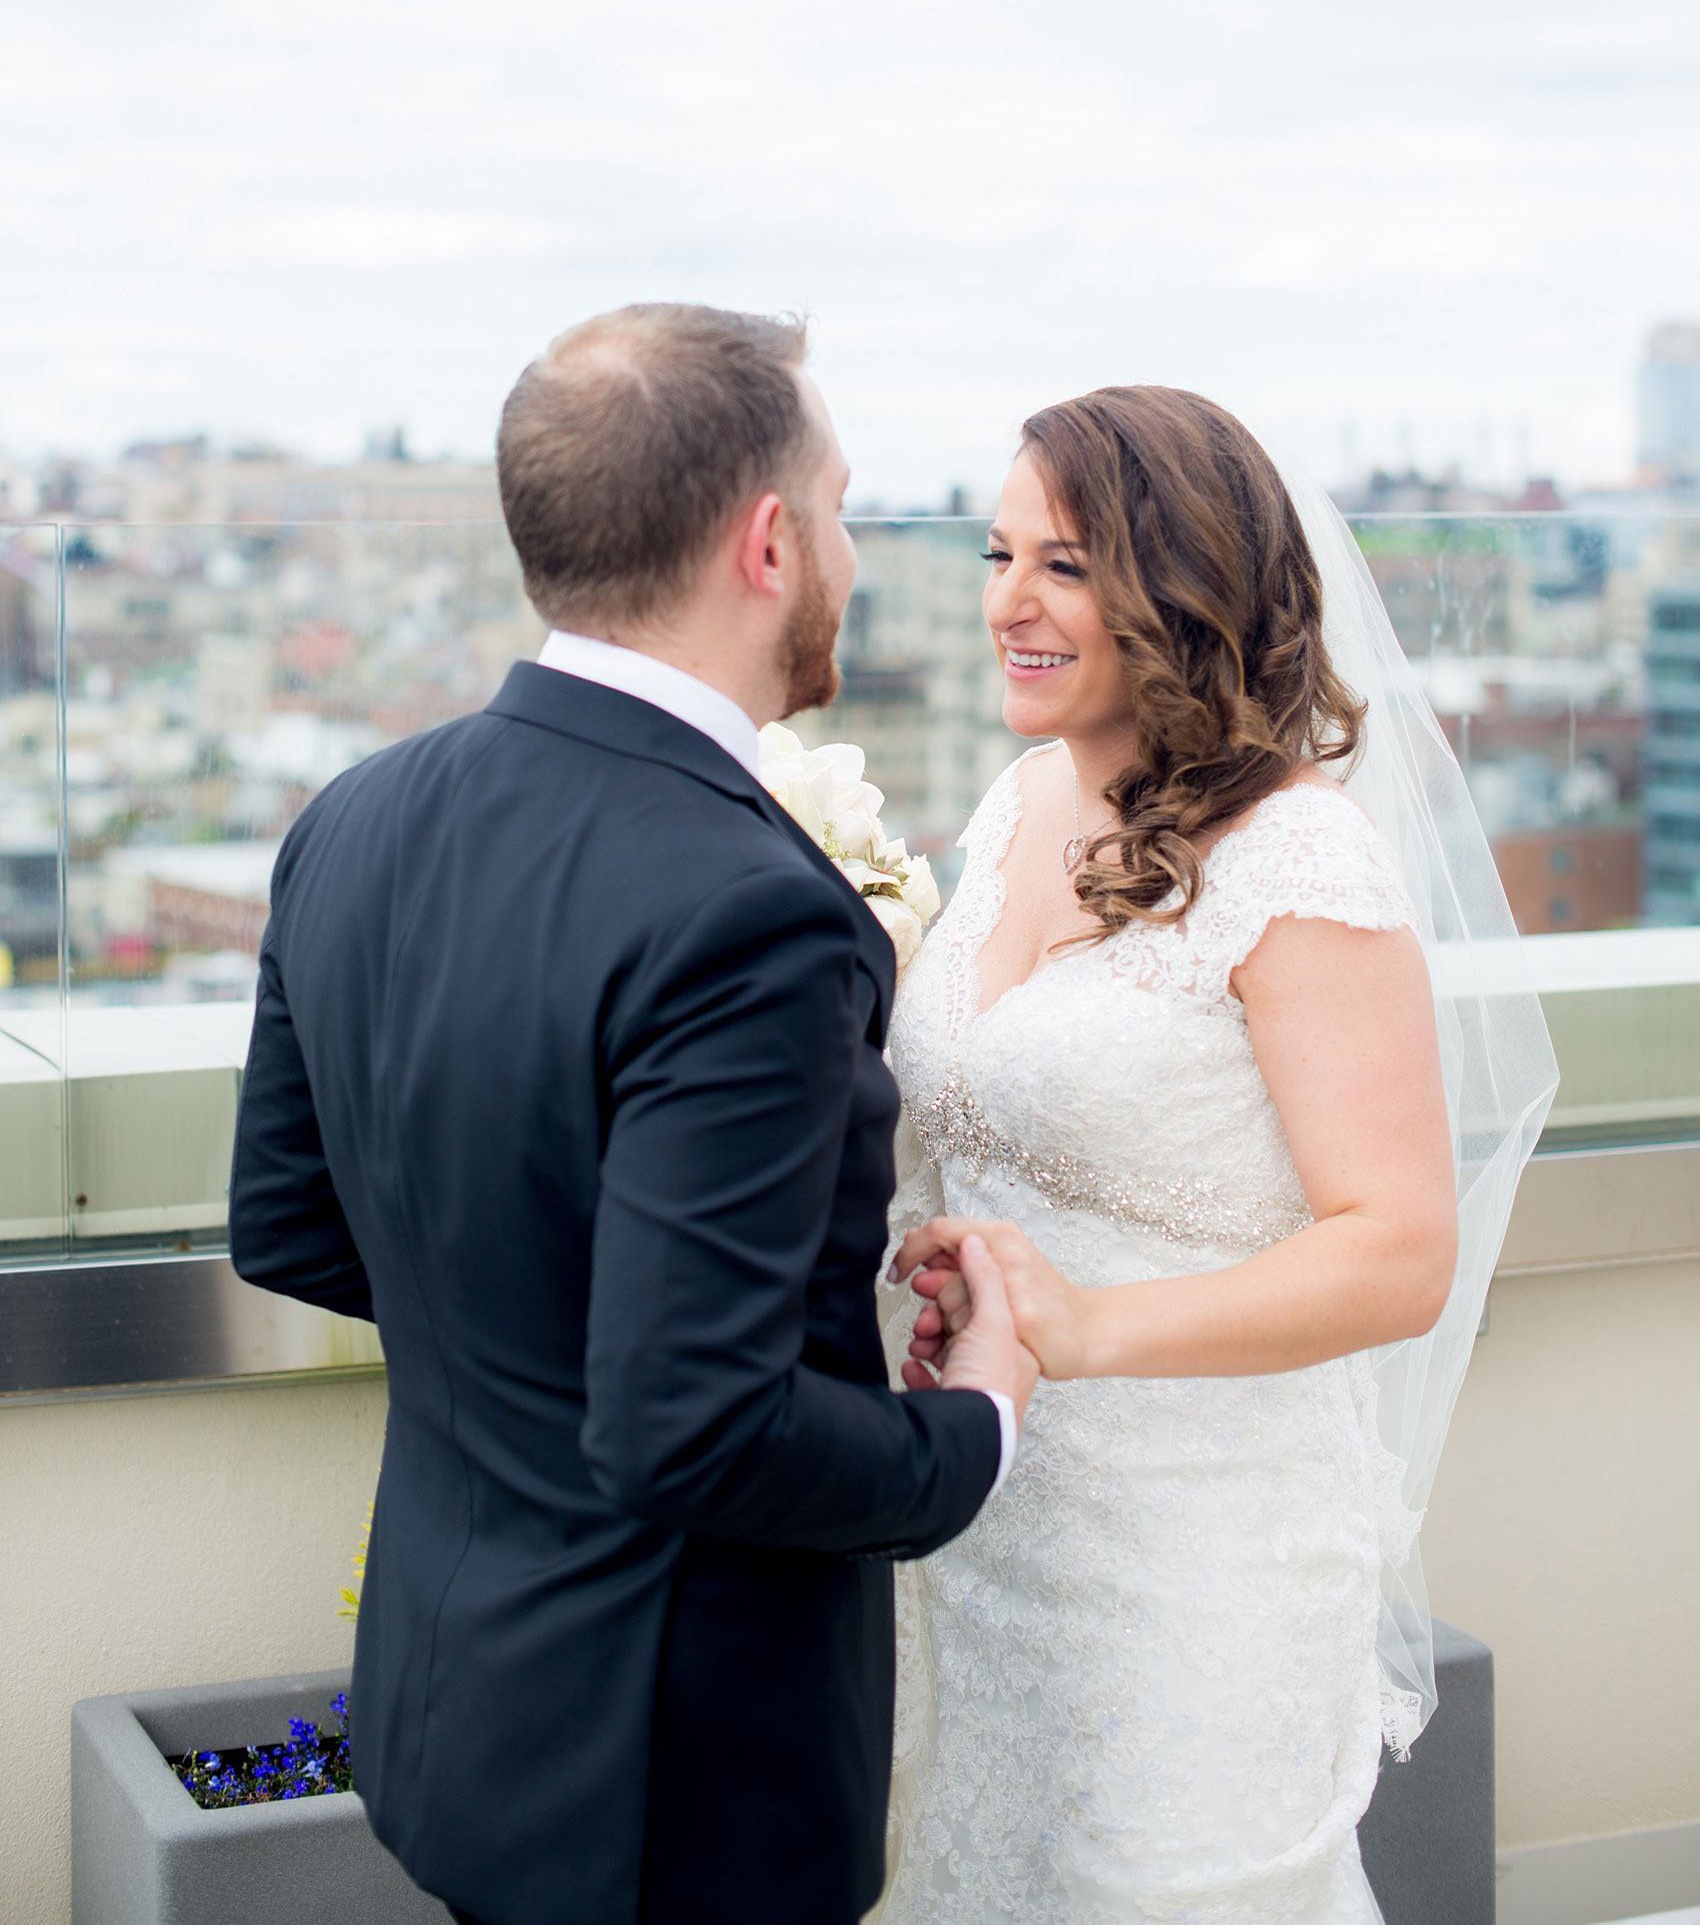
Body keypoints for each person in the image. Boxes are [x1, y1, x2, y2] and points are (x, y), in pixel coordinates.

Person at [227, 303, 1036, 1925]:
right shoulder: (756, 911)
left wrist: (565, 1334)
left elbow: (292, 1223)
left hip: (464, 1712)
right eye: (844, 506)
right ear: (766, 540)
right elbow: (693, 1424)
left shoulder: (354, 819)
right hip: (678, 1784)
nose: (856, 555)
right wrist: (978, 1424)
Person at [878, 385, 1553, 1925]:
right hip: (985, 1534)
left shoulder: (1299, 860)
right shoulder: (1021, 796)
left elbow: (1399, 1245)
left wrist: (1088, 1324)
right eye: (998, 553)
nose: (1011, 604)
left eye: (1067, 562)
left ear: (1177, 585)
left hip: (1198, 1554)